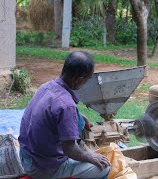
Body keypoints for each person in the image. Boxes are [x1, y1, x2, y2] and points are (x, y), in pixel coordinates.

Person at [18, 51, 110, 179]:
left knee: (78, 118)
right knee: (103, 168)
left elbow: (55, 110)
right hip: (42, 168)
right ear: (79, 80)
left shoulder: (46, 87)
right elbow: (70, 150)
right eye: (87, 80)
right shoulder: (66, 105)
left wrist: (78, 115)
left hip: (27, 156)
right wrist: (90, 157)